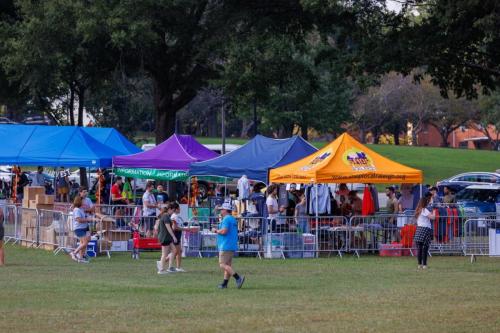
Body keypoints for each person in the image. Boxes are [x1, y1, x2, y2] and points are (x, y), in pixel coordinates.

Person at [213, 201, 245, 289]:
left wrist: (216, 231)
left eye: (222, 209)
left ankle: (238, 278)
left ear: (226, 210)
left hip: (225, 245)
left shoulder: (226, 219)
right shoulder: (232, 219)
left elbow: (224, 231)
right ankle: (224, 284)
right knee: (228, 265)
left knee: (222, 264)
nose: (221, 211)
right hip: (231, 244)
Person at [70, 196, 98, 263]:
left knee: (87, 241)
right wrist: (89, 219)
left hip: (85, 227)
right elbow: (78, 220)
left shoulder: (81, 209)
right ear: (79, 201)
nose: (84, 202)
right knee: (84, 243)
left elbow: (86, 216)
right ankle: (74, 253)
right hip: (79, 228)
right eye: (83, 201)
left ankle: (81, 257)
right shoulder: (76, 209)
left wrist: (92, 217)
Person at [414, 194, 435, 270]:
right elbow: (433, 217)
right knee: (425, 248)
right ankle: (424, 265)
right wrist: (434, 211)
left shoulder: (418, 210)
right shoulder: (424, 210)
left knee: (419, 249)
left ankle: (419, 265)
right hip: (425, 229)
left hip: (419, 229)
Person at [156, 204, 177, 274]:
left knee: (174, 250)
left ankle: (170, 267)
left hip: (167, 237)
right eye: (173, 210)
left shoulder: (166, 216)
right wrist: (174, 237)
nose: (173, 212)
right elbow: (168, 228)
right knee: (164, 254)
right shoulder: (166, 216)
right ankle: (161, 270)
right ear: (169, 209)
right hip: (165, 237)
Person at [170, 202, 187, 272]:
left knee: (178, 251)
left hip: (177, 235)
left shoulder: (176, 216)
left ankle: (178, 267)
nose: (180, 209)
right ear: (176, 209)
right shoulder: (174, 216)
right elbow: (174, 227)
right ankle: (163, 262)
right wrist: (185, 229)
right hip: (175, 235)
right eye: (179, 208)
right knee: (176, 252)